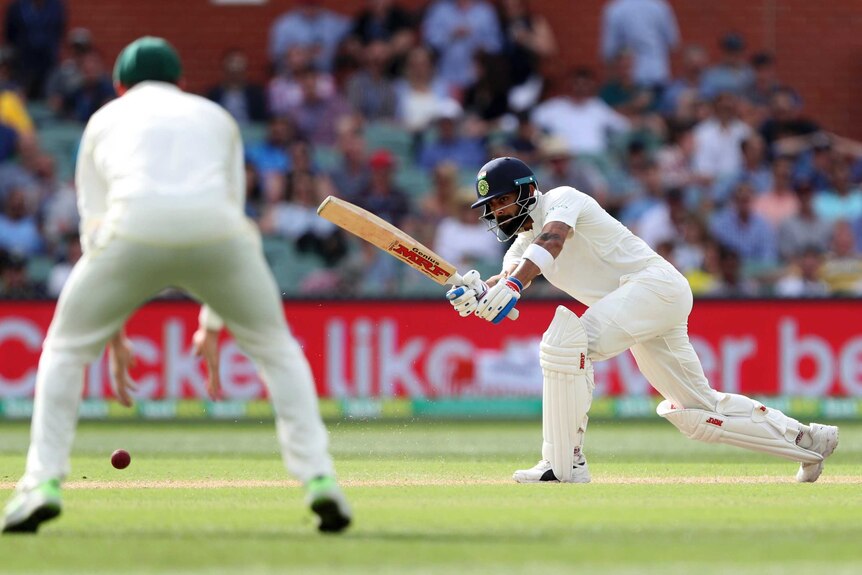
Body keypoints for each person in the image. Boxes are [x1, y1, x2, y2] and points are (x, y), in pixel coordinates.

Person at [1, 37, 351, 535]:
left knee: (64, 348)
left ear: (121, 86)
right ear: (181, 83)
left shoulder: (104, 118)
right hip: (220, 235)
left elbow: (92, 228)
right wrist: (212, 322)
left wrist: (111, 331)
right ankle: (320, 478)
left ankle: (40, 484)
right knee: (277, 349)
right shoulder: (215, 116)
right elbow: (230, 211)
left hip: (131, 230)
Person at [444, 156, 839, 484]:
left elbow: (553, 242)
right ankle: (807, 440)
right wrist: (478, 294)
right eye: (491, 208)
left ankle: (563, 465)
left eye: (501, 202)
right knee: (697, 413)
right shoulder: (522, 244)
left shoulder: (563, 200)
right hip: (642, 302)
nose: (497, 212)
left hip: (653, 286)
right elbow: (509, 279)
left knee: (566, 344)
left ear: (526, 191)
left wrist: (511, 286)